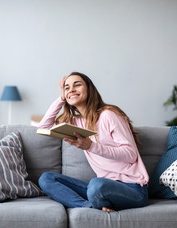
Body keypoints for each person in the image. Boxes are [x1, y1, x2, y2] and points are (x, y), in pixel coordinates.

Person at [38, 72, 149, 212]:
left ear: (89, 89)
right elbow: (43, 127)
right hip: (100, 188)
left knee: (96, 185)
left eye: (77, 85)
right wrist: (61, 97)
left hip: (132, 189)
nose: (71, 89)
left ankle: (99, 202)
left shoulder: (109, 114)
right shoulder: (76, 122)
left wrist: (91, 146)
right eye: (67, 88)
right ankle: (89, 206)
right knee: (46, 178)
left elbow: (131, 154)